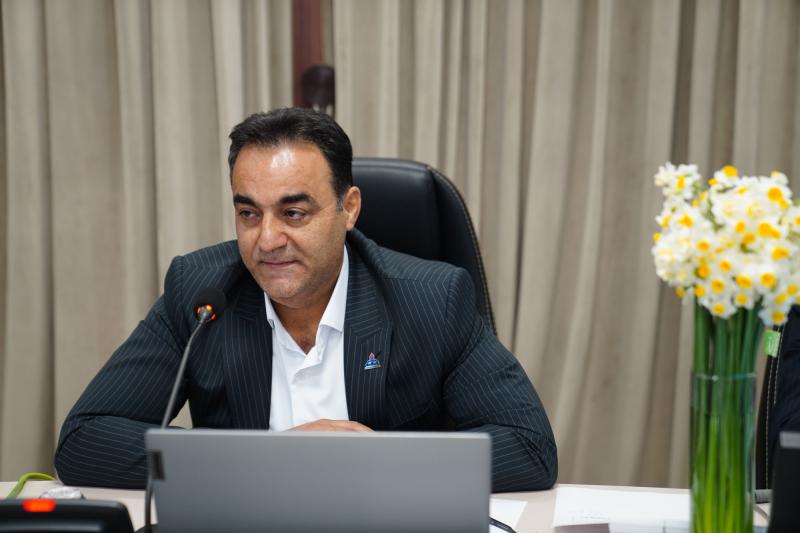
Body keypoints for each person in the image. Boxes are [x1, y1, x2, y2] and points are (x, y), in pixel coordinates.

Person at [54, 107, 557, 492]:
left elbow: (529, 448)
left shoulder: (431, 298)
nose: (267, 239)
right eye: (249, 214)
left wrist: (379, 459)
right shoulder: (203, 292)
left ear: (348, 208)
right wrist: (272, 458)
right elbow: (84, 441)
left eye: (293, 214)